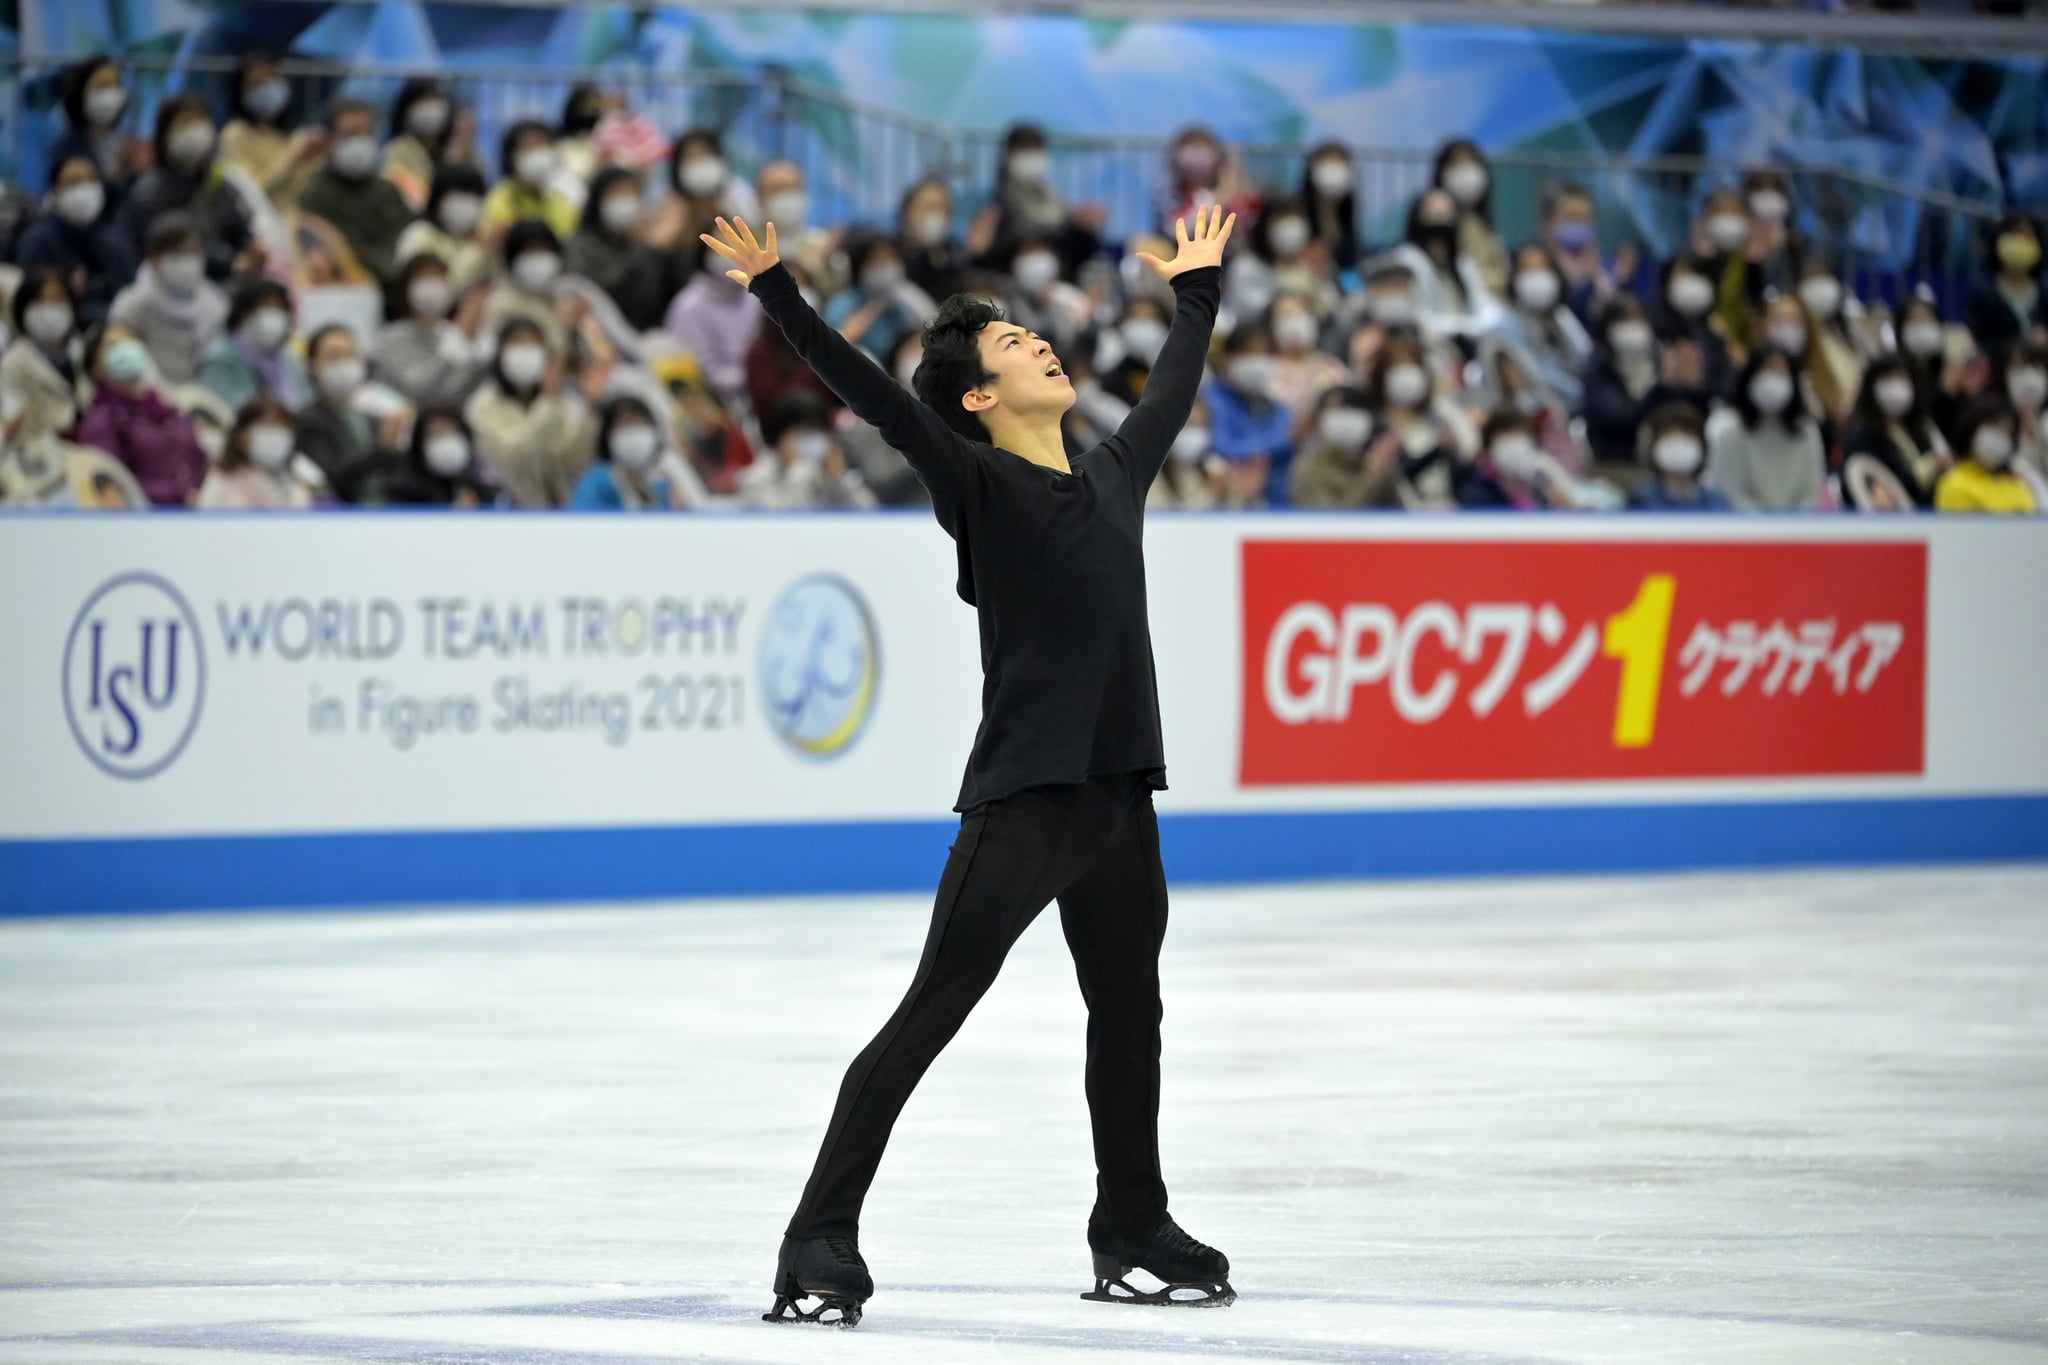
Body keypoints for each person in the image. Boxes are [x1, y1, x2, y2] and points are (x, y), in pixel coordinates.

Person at [704, 206, 1237, 1324]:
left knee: (1128, 1012)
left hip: (1116, 794)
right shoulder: (976, 485)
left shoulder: (1110, 473)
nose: (1037, 342)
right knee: (931, 1009)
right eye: (1007, 347)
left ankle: (1129, 1223)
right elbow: (878, 397)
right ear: (981, 401)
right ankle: (816, 1238)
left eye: (1031, 335)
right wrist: (778, 292)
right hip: (1025, 797)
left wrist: (1196, 290)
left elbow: (1170, 394)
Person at [116, 92, 255, 281]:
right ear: (164, 136)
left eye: (200, 122)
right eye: (185, 123)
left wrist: (250, 253)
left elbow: (241, 232)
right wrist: (228, 265)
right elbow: (167, 248)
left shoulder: (220, 183)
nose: (195, 131)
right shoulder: (149, 191)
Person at [464, 317, 596, 507]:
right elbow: (513, 461)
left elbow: (576, 465)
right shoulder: (480, 407)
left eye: (533, 344)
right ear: (499, 351)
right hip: (509, 513)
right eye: (517, 343)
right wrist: (548, 403)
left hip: (561, 514)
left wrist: (591, 409)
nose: (525, 352)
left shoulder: (564, 404)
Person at [74, 321, 209, 506]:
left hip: (194, 516)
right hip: (144, 519)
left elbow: (199, 463)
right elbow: (108, 483)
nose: (126, 349)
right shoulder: (101, 422)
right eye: (113, 345)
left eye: (131, 342)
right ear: (94, 366)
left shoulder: (172, 413)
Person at [1580, 293, 1708, 478]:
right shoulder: (1598, 370)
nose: (1633, 327)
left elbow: (1691, 419)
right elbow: (1621, 420)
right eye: (1624, 321)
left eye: (1638, 319)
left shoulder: (1660, 360)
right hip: (1617, 465)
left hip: (1669, 467)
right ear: (1607, 328)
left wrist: (1693, 389)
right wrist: (1662, 387)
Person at [298, 99, 415, 287]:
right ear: (329, 139)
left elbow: (406, 235)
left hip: (394, 285)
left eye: (367, 135)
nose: (360, 144)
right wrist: (386, 268)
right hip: (346, 286)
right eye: (350, 135)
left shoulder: (387, 190)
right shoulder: (316, 194)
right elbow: (341, 247)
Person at [108, 212, 230, 386]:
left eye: (194, 252)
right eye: (179, 253)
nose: (188, 260)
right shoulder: (131, 305)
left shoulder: (217, 304)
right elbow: (122, 360)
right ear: (154, 258)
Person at [15, 154, 134, 326]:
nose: (83, 189)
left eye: (90, 181)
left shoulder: (116, 241)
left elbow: (126, 299)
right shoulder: (37, 241)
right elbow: (28, 301)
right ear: (55, 191)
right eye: (73, 183)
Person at [1706, 346, 1826, 512]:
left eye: (1780, 373)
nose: (1773, 380)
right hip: (1746, 529)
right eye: (1767, 371)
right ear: (1751, 377)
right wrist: (1765, 526)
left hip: (1797, 530)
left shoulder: (1806, 432)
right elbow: (1730, 492)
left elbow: (1811, 491)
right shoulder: (1729, 431)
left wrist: (1792, 525)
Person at [976, 123, 1104, 277]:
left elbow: (1076, 254)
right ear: (1008, 156)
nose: (1032, 157)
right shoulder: (998, 207)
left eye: (1036, 149)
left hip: (1060, 280)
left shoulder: (1053, 199)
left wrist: (1084, 231)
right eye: (1025, 150)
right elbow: (996, 255)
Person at [1486, 243, 1594, 413]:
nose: (1537, 276)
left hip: (1581, 408)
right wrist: (1580, 395)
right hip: (1536, 413)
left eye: (1542, 268)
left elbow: (1585, 359)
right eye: (1528, 269)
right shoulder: (1505, 326)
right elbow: (1535, 376)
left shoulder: (1562, 318)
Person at [373, 252, 488, 410]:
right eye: (423, 277)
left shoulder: (452, 333)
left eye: (438, 276)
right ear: (407, 286)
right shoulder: (390, 339)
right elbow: (419, 390)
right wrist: (459, 338)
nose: (432, 285)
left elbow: (464, 391)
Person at [566, 167, 672, 331]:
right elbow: (597, 293)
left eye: (629, 195)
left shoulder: (641, 245)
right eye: (616, 194)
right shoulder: (580, 245)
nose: (623, 202)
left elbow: (655, 297)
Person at [1201, 321, 1294, 508]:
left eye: (1266, 354)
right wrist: (1266, 448)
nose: (1259, 362)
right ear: (1227, 358)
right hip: (1224, 502)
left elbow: (1289, 440)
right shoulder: (1208, 399)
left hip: (1275, 505)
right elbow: (1221, 446)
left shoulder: (1275, 406)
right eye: (1250, 353)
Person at [217, 54, 324, 213]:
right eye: (256, 83)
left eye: (273, 78)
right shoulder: (236, 134)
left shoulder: (295, 135)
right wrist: (294, 159)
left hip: (301, 223)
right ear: (240, 92)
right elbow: (251, 191)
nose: (268, 87)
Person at [734, 391, 877, 510]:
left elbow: (869, 512)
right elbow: (789, 525)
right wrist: (800, 468)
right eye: (803, 433)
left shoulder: (831, 473)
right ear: (780, 439)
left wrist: (837, 481)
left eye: (817, 431)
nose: (811, 441)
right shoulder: (755, 480)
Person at [1841, 354, 1948, 510]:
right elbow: (1883, 482)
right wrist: (1930, 467)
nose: (1896, 387)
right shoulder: (1861, 436)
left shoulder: (1921, 429)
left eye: (1901, 379)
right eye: (1889, 379)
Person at [196, 273, 310, 413]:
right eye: (265, 307)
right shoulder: (218, 357)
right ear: (244, 313)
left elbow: (307, 406)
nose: (273, 315)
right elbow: (215, 411)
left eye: (279, 309)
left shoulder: (289, 361)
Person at [1, 267, 88, 450]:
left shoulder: (81, 348)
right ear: (23, 308)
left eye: (56, 300)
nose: (48, 309)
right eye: (39, 302)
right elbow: (13, 425)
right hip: (44, 453)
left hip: (94, 444)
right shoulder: (13, 363)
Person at [48, 57, 143, 207]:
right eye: (101, 86)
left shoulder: (125, 142)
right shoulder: (66, 146)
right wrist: (116, 176)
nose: (110, 94)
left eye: (116, 86)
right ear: (81, 92)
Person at [196, 396, 315, 509]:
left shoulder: (298, 478)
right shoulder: (220, 479)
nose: (275, 435)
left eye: (282, 427)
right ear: (241, 436)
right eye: (268, 427)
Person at [1288, 386, 1396, 508]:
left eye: (1348, 411)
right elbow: (1334, 522)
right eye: (1333, 413)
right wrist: (1371, 475)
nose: (1343, 422)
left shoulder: (1374, 458)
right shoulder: (1310, 469)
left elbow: (1403, 513)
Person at [569, 395, 684, 510]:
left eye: (640, 423)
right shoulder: (595, 486)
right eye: (625, 424)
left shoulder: (658, 488)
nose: (634, 432)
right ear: (608, 435)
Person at [1431, 139, 1509, 298]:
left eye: (1470, 162)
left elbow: (1501, 272)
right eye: (1456, 164)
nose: (1465, 171)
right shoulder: (1435, 224)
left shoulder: (1485, 225)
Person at [397, 163, 492, 294]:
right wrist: (479, 253)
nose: (466, 202)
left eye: (474, 194)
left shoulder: (481, 238)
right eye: (459, 193)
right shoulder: (420, 235)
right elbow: (436, 293)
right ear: (438, 197)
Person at [480, 120, 580, 242]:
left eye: (542, 147)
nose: (537, 155)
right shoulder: (499, 199)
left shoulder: (560, 201)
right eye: (529, 147)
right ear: (511, 156)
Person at [1935, 396, 2036, 514]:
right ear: (1973, 430)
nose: (1999, 438)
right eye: (1993, 426)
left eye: (2006, 431)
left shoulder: (2015, 484)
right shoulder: (1954, 483)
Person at [1964, 213, 2044, 356]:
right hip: (1997, 370)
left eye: (2029, 237)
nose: (2022, 243)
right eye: (2016, 235)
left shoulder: (2044, 291)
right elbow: (1979, 342)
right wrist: (2022, 343)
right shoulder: (1983, 293)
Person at [1630, 402, 1728, 511]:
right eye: (1669, 437)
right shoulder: (1641, 498)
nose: (1678, 445)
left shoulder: (1715, 499)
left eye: (1686, 436)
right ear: (1655, 446)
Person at [383, 407, 489, 506]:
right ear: (420, 444)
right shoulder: (403, 489)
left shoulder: (477, 483)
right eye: (436, 434)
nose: (446, 444)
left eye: (450, 433)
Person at [384, 77, 462, 211]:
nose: (430, 107)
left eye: (435, 99)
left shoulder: (454, 152)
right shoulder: (398, 150)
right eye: (423, 100)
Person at [1299, 142, 1362, 276]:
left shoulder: (1346, 217)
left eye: (1339, 165)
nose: (1334, 172)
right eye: (1328, 164)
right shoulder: (1297, 212)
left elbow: (1350, 267)